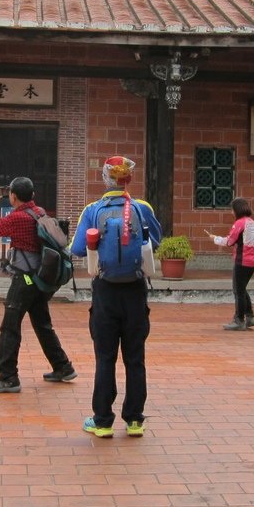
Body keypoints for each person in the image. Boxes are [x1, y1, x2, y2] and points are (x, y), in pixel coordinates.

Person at [71, 156, 162, 438]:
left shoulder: (92, 209)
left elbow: (77, 249)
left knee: (105, 357)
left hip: (105, 291)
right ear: (129, 180)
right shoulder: (142, 207)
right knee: (135, 358)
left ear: (105, 178)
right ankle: (135, 420)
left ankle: (102, 421)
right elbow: (155, 240)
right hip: (135, 291)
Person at [0, 177, 76, 394]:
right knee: (42, 323)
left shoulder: (18, 218)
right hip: (41, 278)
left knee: (9, 327)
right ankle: (63, 367)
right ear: (32, 195)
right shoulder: (39, 212)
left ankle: (8, 377)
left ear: (13, 196)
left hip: (24, 279)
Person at [207, 197, 254, 331]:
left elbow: (229, 241)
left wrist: (215, 239)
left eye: (232, 209)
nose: (231, 212)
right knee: (242, 288)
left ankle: (239, 320)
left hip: (242, 261)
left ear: (236, 209)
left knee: (238, 290)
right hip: (252, 260)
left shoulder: (239, 223)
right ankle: (250, 316)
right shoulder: (251, 222)